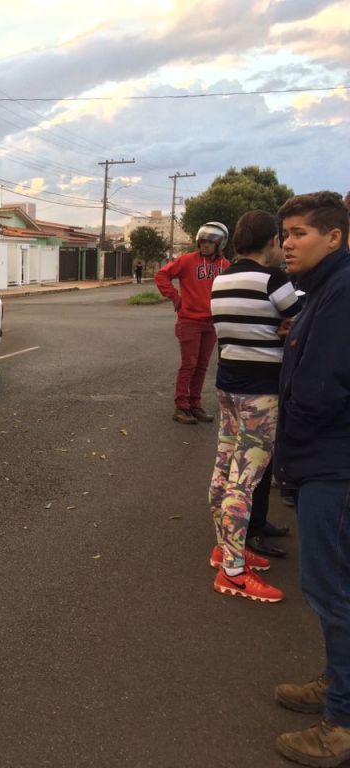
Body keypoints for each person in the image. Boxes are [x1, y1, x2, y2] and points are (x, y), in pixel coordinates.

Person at [271, 191, 350, 766]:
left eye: (300, 233)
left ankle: (342, 723)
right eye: (285, 233)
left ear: (335, 237)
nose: (288, 243)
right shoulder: (324, 290)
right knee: (332, 592)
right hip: (326, 460)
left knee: (334, 594)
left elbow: (322, 388)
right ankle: (336, 684)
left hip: (334, 465)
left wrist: (289, 451)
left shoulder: (342, 293)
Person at [207, 210, 299, 603]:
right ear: (272, 242)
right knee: (245, 482)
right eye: (282, 241)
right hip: (262, 395)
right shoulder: (274, 279)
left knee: (224, 467)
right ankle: (233, 572)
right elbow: (302, 319)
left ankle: (225, 548)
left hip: (228, 386)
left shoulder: (221, 278)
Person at [155, 221, 232, 424]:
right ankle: (181, 407)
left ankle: (195, 405)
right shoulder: (187, 260)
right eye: (202, 241)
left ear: (220, 243)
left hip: (212, 323)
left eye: (210, 241)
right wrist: (174, 297)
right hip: (189, 321)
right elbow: (162, 274)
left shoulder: (226, 266)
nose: (205, 245)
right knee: (189, 364)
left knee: (202, 365)